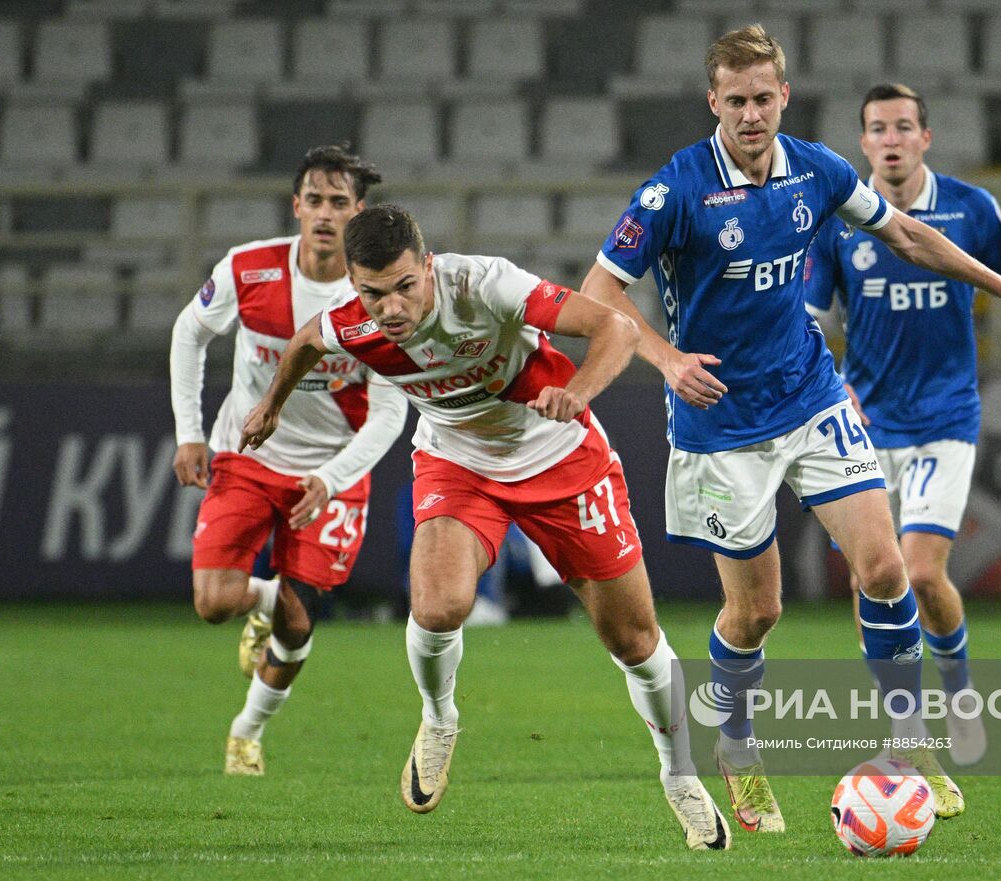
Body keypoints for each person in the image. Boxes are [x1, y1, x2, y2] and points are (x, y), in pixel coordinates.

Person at [578, 25, 1001, 830]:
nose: (750, 114)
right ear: (713, 101)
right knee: (757, 613)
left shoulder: (816, 169)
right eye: (734, 100)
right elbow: (596, 294)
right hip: (722, 423)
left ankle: (910, 743)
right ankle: (737, 744)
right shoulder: (672, 191)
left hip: (813, 397)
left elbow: (907, 233)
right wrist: (667, 360)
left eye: (763, 98)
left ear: (784, 95)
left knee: (885, 569)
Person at [237, 205, 732, 851]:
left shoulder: (484, 285)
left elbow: (613, 325)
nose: (389, 307)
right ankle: (439, 719)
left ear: (429, 266)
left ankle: (680, 775)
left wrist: (580, 389)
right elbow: (305, 341)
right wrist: (270, 405)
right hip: (458, 461)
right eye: (372, 292)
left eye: (404, 286)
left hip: (559, 456)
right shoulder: (354, 322)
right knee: (439, 605)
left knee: (635, 638)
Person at [805, 84, 1001, 766]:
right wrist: (831, 389)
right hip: (868, 426)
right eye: (877, 127)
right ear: (864, 142)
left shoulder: (972, 210)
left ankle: (959, 693)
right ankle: (903, 726)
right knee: (870, 576)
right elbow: (812, 322)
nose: (890, 138)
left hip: (945, 418)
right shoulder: (841, 220)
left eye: (903, 126)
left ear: (925, 138)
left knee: (922, 573)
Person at [169, 145, 408, 777]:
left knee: (298, 625)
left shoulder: (379, 296)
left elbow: (389, 412)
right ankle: (264, 597)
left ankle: (246, 732)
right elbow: (188, 332)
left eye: (339, 203)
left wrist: (331, 480)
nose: (325, 214)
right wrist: (189, 432)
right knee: (214, 602)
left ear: (358, 213)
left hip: (330, 470)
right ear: (295, 205)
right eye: (315, 200)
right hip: (249, 454)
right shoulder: (250, 270)